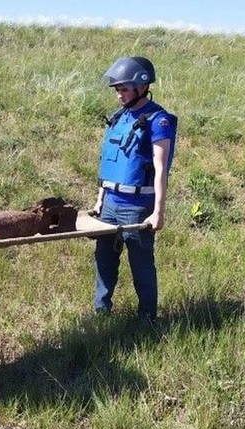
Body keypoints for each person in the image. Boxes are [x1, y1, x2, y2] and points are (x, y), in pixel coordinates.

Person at [90, 56, 178, 323]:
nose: (119, 96)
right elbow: (110, 163)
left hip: (137, 206)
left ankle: (147, 319)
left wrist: (158, 213)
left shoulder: (158, 120)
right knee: (104, 261)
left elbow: (161, 169)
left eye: (124, 89)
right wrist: (99, 201)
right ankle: (101, 312)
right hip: (109, 204)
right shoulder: (120, 117)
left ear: (141, 86)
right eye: (117, 90)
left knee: (141, 265)